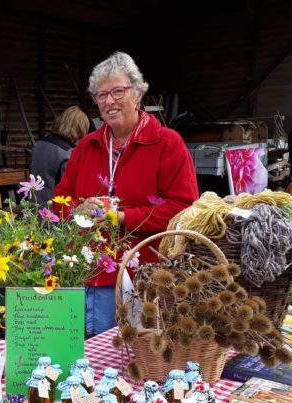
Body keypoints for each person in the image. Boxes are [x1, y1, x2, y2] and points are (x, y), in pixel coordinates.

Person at [54, 51, 199, 336]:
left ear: (138, 92)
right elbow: (58, 201)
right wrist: (76, 211)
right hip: (83, 274)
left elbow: (185, 209)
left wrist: (122, 217)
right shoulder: (86, 147)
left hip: (140, 278)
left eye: (117, 91)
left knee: (127, 364)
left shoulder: (167, 143)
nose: (109, 101)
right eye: (100, 95)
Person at [29, 106, 90, 205]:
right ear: (79, 130)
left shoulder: (38, 145)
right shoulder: (67, 154)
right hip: (54, 213)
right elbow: (70, 190)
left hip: (33, 207)